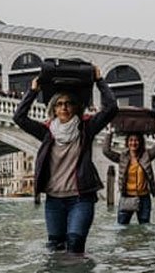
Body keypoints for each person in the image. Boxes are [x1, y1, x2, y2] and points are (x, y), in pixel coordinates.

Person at [13, 65, 117, 253]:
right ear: (54, 108)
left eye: (68, 103)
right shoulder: (46, 132)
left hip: (81, 199)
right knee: (55, 249)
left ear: (76, 107)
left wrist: (99, 81)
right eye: (60, 104)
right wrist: (33, 91)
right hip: (54, 201)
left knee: (75, 246)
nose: (64, 108)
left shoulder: (87, 128)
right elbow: (19, 117)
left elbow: (111, 108)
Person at [103, 125, 155, 224]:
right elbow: (106, 151)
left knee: (144, 228)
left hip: (144, 198)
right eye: (131, 140)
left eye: (136, 140)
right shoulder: (122, 157)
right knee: (122, 228)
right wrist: (109, 132)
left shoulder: (146, 156)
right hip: (126, 197)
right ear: (127, 143)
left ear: (140, 142)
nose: (133, 143)